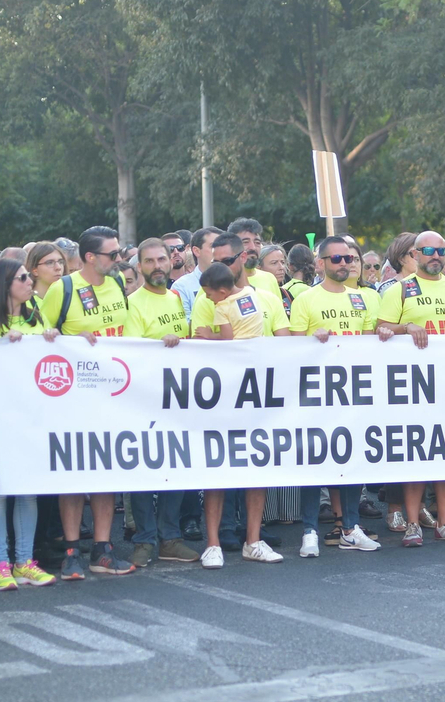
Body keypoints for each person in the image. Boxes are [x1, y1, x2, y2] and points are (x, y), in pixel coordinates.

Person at [376, 230, 445, 545]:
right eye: (427, 250)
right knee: (416, 454)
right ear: (415, 254)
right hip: (414, 383)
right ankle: (412, 522)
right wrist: (405, 327)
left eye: (441, 251)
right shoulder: (400, 289)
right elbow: (379, 327)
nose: (435, 256)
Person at [41, 226, 135, 578]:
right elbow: (41, 338)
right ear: (90, 257)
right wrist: (64, 338)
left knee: (106, 472)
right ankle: (70, 551)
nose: (119, 259)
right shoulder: (61, 289)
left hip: (113, 394)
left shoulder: (117, 285)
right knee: (73, 474)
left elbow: (128, 334)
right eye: (112, 254)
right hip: (73, 397)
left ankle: (102, 548)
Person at [0, 258, 60, 590]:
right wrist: (0, 345)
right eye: (22, 277)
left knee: (28, 490)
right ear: (5, 284)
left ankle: (24, 561)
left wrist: (52, 338)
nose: (29, 281)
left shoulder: (37, 315)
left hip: (33, 416)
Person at [286, 238, 386, 553]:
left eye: (348, 258)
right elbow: (292, 344)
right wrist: (309, 339)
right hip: (317, 393)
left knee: (353, 459)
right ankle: (310, 531)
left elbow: (371, 341)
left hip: (355, 392)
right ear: (321, 263)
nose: (343, 264)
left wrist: (383, 334)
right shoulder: (306, 298)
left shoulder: (364, 298)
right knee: (315, 461)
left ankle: (350, 528)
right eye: (336, 259)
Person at [192, 262, 289, 566]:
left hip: (244, 389)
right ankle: (217, 544)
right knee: (220, 465)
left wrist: (208, 336)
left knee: (252, 463)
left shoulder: (222, 308)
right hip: (240, 390)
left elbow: (227, 341)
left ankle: (249, 541)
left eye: (208, 294)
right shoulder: (251, 294)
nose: (207, 299)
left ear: (220, 291)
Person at [124, 238, 199, 566]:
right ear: (139, 267)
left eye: (161, 260)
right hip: (143, 399)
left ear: (171, 262)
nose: (157, 266)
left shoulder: (174, 297)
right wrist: (162, 343)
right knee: (143, 470)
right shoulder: (132, 303)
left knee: (177, 467)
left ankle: (170, 538)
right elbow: (132, 350)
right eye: (149, 261)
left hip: (177, 398)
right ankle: (144, 540)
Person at [171, 226, 221, 316]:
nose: (220, 252)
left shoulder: (235, 281)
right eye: (213, 246)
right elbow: (185, 325)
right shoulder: (181, 286)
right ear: (196, 251)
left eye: (222, 246)